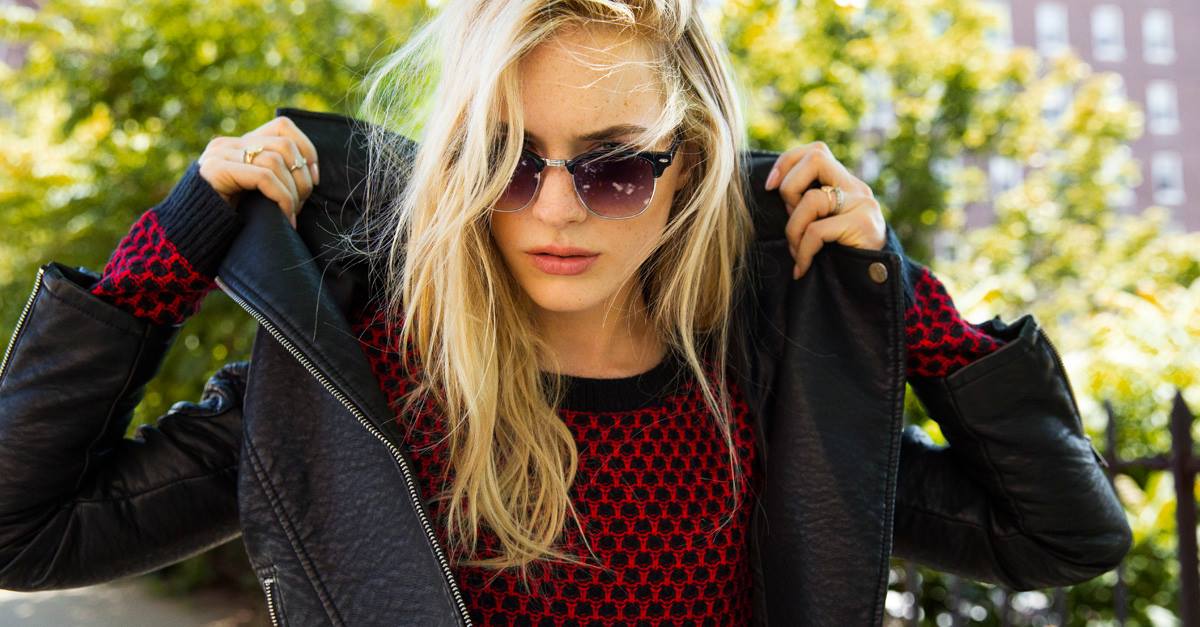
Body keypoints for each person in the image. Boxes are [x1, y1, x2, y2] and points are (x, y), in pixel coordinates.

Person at [0, 1, 1131, 625]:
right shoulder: (363, 386)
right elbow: (24, 532)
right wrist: (177, 242)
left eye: (615, 167)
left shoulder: (758, 390)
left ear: (692, 168)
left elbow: (1061, 535)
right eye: (505, 158)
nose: (554, 209)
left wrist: (894, 291)